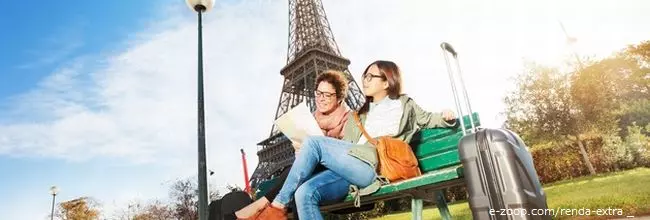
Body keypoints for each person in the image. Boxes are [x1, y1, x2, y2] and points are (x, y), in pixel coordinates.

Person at [255, 60, 458, 220]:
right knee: (304, 193)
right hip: (349, 169)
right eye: (364, 76)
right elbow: (345, 147)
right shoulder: (358, 115)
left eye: (371, 76)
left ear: (387, 81)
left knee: (314, 143)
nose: (365, 80)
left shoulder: (405, 105)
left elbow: (429, 119)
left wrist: (446, 116)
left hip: (373, 168)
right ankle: (279, 205)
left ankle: (277, 206)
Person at [232, 70, 352, 220]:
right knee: (299, 183)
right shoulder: (311, 120)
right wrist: (301, 151)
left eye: (327, 95)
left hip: (338, 174)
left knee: (299, 181)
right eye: (319, 93)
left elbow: (349, 156)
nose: (321, 99)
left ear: (339, 98)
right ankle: (267, 206)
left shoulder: (350, 119)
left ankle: (262, 205)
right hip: (312, 173)